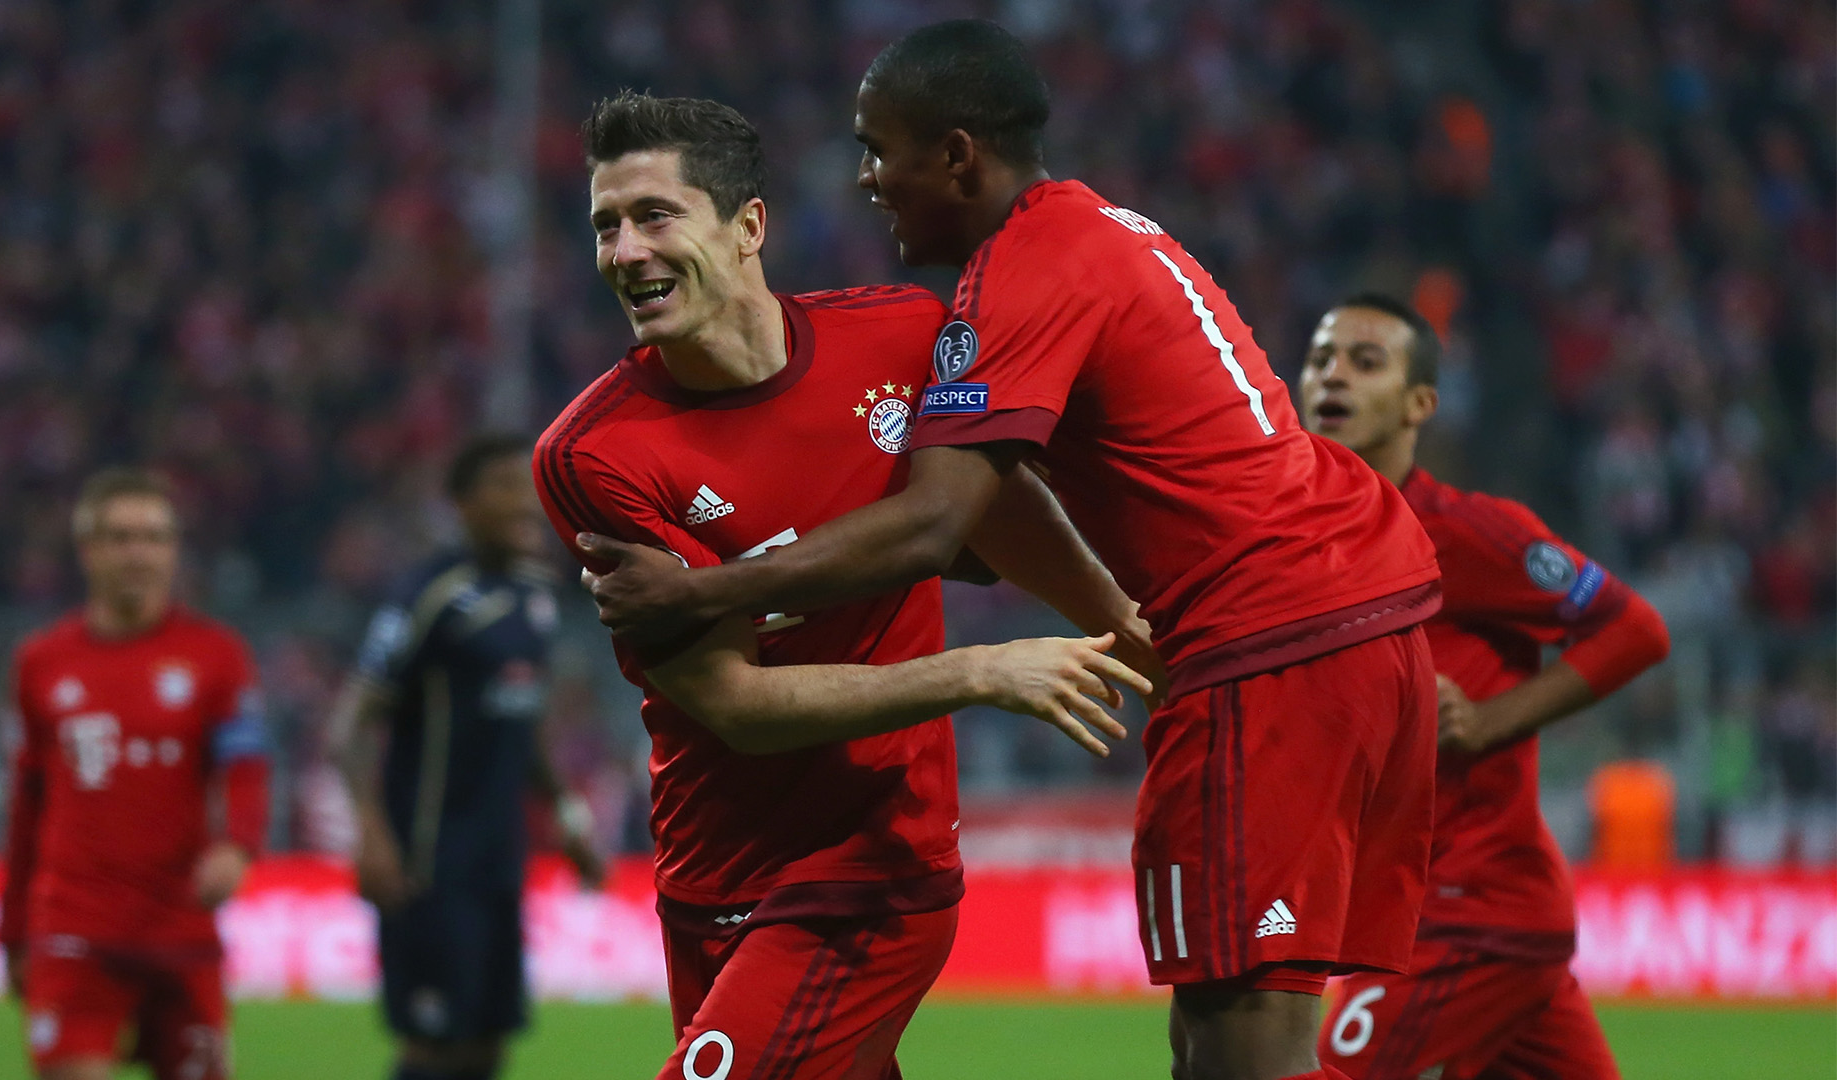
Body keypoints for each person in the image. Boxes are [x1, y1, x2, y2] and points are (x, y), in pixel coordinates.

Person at [578, 24, 1441, 1080]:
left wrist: (707, 587)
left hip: (1269, 636)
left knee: (1242, 1054)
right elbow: (997, 511)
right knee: (1225, 1036)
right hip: (1357, 605)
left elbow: (942, 521)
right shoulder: (1101, 232)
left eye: (878, 148)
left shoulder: (1017, 273)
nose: (864, 180)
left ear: (955, 155)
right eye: (605, 224)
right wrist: (1115, 620)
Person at [543, 92, 1152, 1080]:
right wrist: (979, 672)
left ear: (747, 228)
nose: (625, 251)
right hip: (710, 875)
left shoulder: (900, 338)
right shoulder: (592, 453)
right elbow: (734, 705)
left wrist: (1126, 633)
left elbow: (995, 514)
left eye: (656, 215)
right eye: (606, 226)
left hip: (873, 862)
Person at [1300, 294, 1670, 1079]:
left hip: (1465, 915)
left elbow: (1635, 629)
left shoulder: (1469, 533)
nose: (1334, 376)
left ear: (1419, 403)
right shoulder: (1302, 540)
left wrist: (1491, 720)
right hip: (1427, 912)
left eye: (1365, 363)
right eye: (1321, 358)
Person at [329, 433, 606, 1080]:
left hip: (498, 861)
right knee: (433, 1048)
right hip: (429, 859)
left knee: (486, 1043)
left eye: (527, 489)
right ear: (460, 502)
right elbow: (348, 726)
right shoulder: (429, 596)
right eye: (504, 488)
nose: (523, 504)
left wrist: (568, 817)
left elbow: (524, 719)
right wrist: (372, 837)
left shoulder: (534, 596)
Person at [0, 468, 272, 1080]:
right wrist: (11, 928)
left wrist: (238, 844)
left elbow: (246, 766)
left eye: (152, 537)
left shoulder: (217, 656)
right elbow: (26, 803)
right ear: (87, 551)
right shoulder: (41, 662)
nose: (137, 553)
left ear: (173, 551)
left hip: (180, 924)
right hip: (74, 926)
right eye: (119, 537)